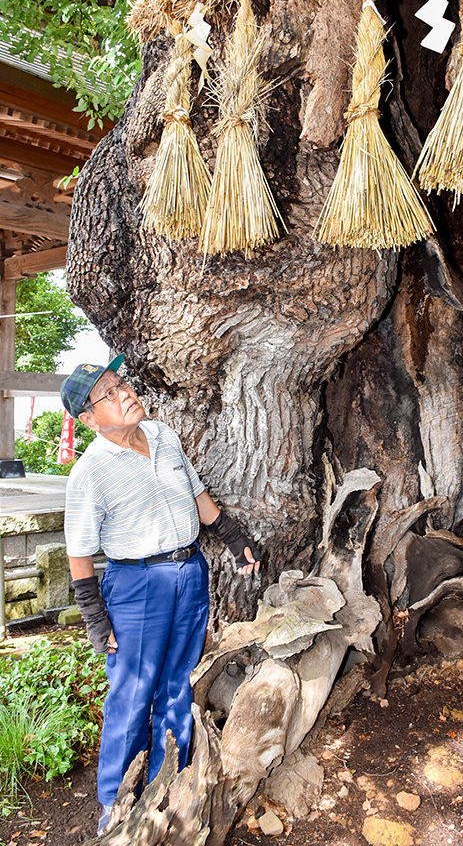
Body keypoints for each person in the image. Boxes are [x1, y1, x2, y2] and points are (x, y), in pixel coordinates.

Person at [61, 354, 260, 836]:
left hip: (190, 572)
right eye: (107, 393)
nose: (125, 393)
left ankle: (165, 785)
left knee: (177, 684)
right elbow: (80, 553)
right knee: (131, 695)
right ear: (88, 419)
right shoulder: (89, 473)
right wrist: (95, 618)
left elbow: (196, 495)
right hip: (136, 587)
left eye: (121, 383)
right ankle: (115, 803)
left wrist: (235, 539)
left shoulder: (164, 436)